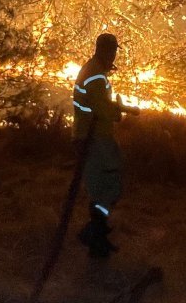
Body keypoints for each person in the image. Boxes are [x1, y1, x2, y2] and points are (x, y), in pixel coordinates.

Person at [72, 33, 139, 258]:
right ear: (105, 50)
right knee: (111, 185)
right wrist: (118, 113)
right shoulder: (96, 77)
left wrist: (117, 108)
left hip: (90, 137)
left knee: (100, 188)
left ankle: (98, 237)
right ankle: (94, 232)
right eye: (113, 51)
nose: (114, 56)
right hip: (96, 138)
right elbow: (100, 109)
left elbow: (95, 103)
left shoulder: (92, 71)